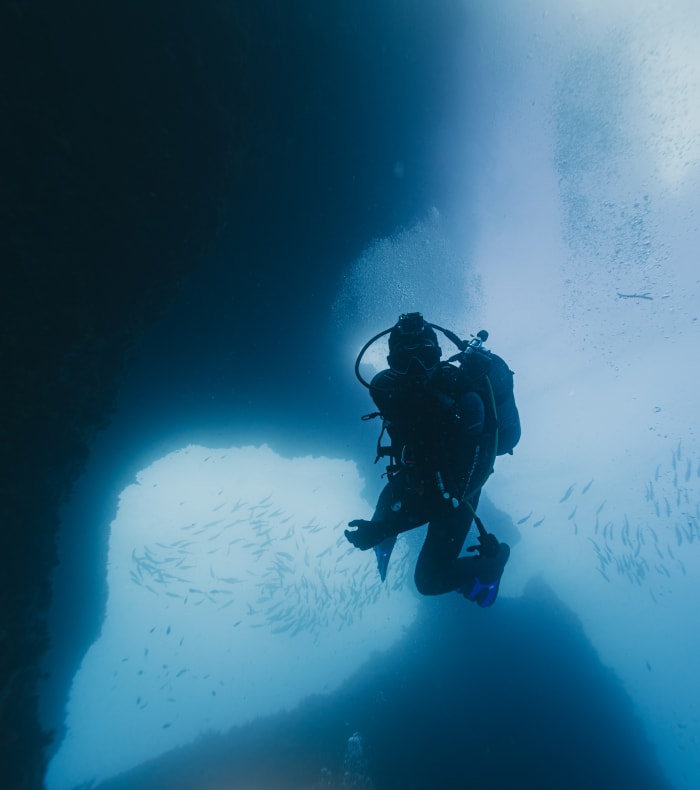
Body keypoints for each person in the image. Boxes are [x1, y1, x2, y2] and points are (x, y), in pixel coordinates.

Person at [345, 312, 521, 607]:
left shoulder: (467, 403)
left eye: (425, 358)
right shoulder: (385, 390)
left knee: (428, 581)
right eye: (404, 361)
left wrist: (384, 529)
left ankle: (491, 566)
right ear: (391, 364)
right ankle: (387, 531)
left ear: (439, 357)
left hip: (461, 491)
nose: (416, 370)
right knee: (391, 494)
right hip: (416, 474)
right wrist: (385, 526)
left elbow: (451, 498)